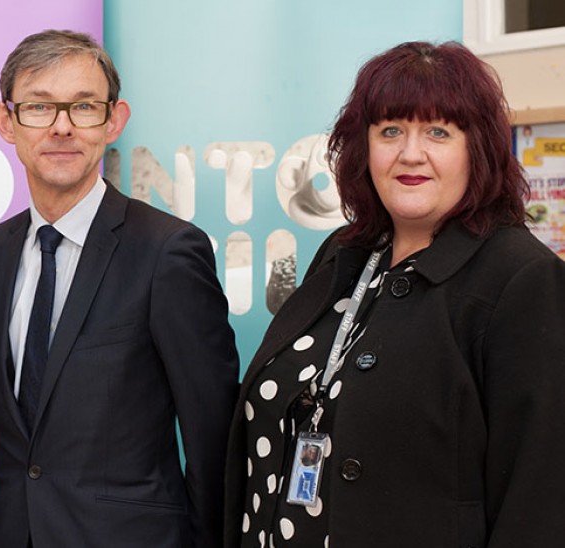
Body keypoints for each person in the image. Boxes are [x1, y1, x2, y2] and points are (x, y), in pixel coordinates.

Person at [224, 41, 565, 548]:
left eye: (437, 131)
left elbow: (540, 501)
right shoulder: (345, 253)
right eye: (390, 131)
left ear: (478, 148)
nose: (410, 153)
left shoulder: (520, 278)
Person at [0, 30, 239, 547]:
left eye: (84, 106)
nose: (62, 127)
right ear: (6, 122)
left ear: (114, 120)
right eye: (39, 107)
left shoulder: (167, 252)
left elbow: (213, 436)